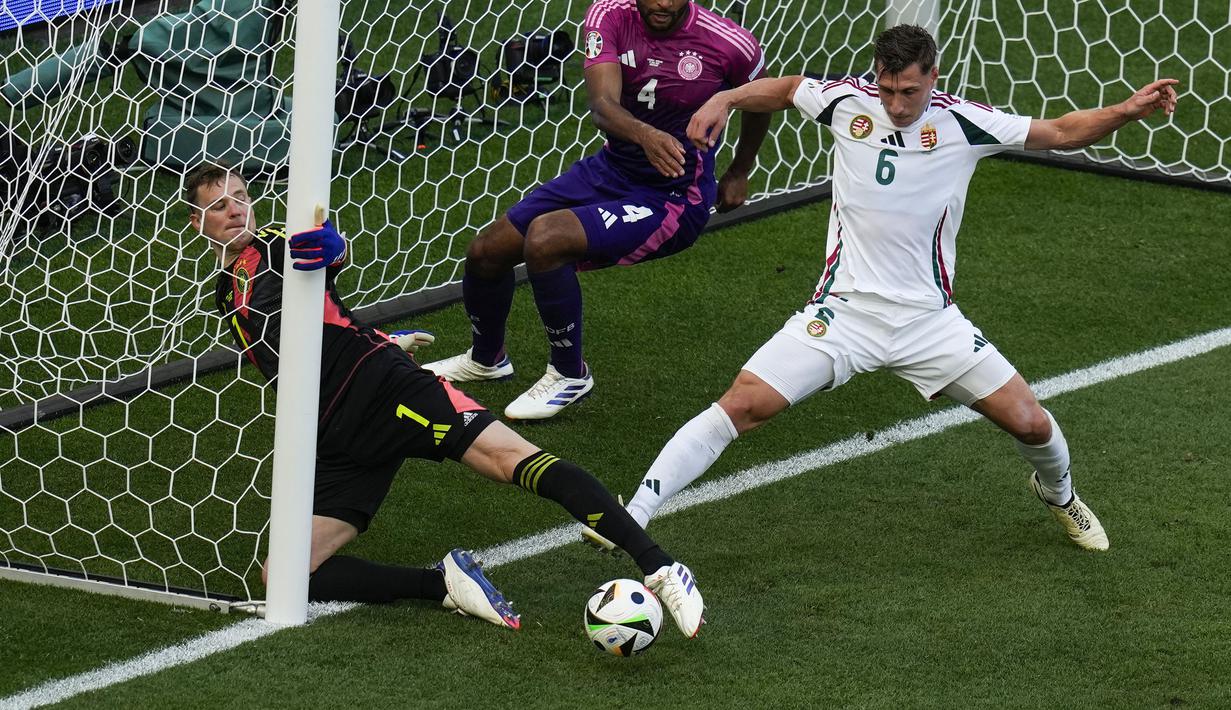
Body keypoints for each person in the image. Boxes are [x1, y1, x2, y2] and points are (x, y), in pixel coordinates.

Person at [617, 25, 1179, 550]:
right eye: (887, 90)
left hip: (929, 322)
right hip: (844, 314)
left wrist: (1126, 111)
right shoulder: (846, 102)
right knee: (741, 405)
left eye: (909, 91)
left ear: (933, 76)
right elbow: (788, 89)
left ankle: (1060, 495)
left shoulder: (965, 123)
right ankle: (634, 514)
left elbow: (1059, 132)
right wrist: (727, 98)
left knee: (1031, 423)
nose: (896, 105)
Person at [187, 163, 705, 636]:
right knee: (287, 575)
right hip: (335, 429)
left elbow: (329, 254)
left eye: (241, 197)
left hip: (384, 389)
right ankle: (443, 584)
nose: (235, 210)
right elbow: (299, 341)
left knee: (510, 459)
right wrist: (384, 337)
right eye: (219, 205)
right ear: (197, 223)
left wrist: (334, 246)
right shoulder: (225, 289)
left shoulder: (276, 245)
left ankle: (660, 567)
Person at [423, 0, 772, 420]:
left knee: (547, 239)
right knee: (486, 251)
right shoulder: (608, 15)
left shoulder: (730, 43)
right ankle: (486, 360)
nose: (662, 3)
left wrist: (739, 170)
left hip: (675, 197)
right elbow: (603, 105)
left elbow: (761, 101)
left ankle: (570, 374)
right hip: (608, 170)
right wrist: (646, 136)